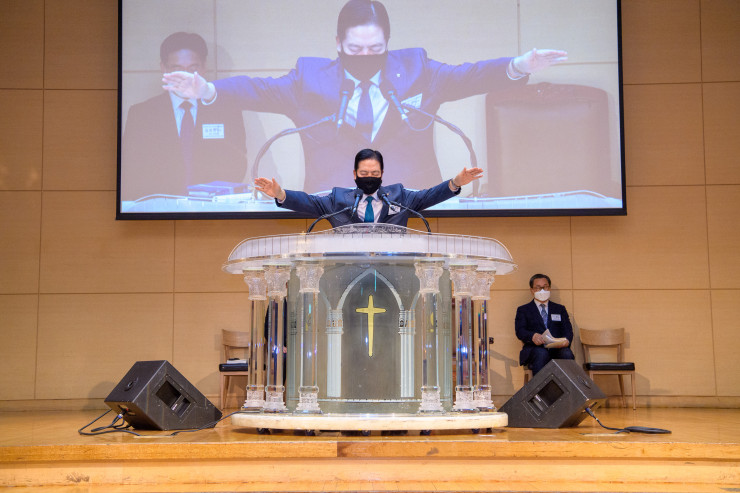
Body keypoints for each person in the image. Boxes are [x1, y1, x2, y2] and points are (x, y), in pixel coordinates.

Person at [161, 0, 567, 193]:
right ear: (338, 43)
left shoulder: (417, 68)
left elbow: (469, 76)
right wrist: (207, 90)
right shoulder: (309, 78)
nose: (365, 56)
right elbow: (259, 89)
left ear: (388, 42)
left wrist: (519, 66)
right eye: (355, 49)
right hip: (332, 209)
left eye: (375, 49)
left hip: (411, 207)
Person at [121, 32, 248, 201]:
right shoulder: (141, 114)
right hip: (158, 207)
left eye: (193, 69)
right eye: (177, 70)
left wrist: (209, 198)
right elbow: (132, 169)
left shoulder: (226, 110)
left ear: (204, 68)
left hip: (212, 206)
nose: (186, 77)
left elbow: (237, 162)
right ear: (164, 68)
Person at [254, 148, 482, 228]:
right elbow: (308, 202)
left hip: (393, 272)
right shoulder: (337, 200)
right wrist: (279, 194)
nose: (369, 178)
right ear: (354, 174)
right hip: (347, 273)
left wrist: (455, 183)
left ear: (382, 174)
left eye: (374, 174)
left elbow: (428, 196)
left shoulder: (399, 196)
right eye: (364, 174)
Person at [515, 273, 575, 375]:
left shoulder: (559, 309)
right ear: (532, 290)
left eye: (545, 287)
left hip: (557, 349)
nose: (542, 290)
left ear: (549, 288)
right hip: (534, 349)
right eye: (538, 288)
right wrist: (532, 336)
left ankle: (567, 385)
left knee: (566, 353)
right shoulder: (523, 310)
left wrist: (566, 341)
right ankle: (541, 386)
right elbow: (520, 331)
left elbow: (568, 330)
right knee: (541, 353)